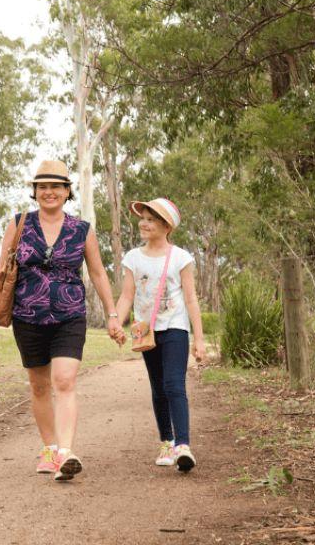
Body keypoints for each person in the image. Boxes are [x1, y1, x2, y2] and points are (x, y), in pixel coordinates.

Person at [0, 160, 118, 482]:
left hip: (70, 315)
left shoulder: (82, 230)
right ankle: (50, 448)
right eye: (43, 186)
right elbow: (2, 268)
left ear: (67, 191)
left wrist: (112, 314)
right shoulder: (19, 223)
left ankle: (66, 453)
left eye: (56, 186)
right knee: (39, 386)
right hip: (27, 316)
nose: (49, 192)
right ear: (35, 191)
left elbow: (97, 273)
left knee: (65, 381)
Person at [108, 198, 205, 473]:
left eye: (151, 219)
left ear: (166, 225)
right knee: (158, 387)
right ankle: (166, 441)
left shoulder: (180, 257)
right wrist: (116, 320)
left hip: (175, 327)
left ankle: (183, 445)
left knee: (175, 384)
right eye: (143, 218)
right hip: (145, 331)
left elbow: (191, 299)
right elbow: (127, 295)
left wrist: (198, 339)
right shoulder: (133, 258)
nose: (144, 223)